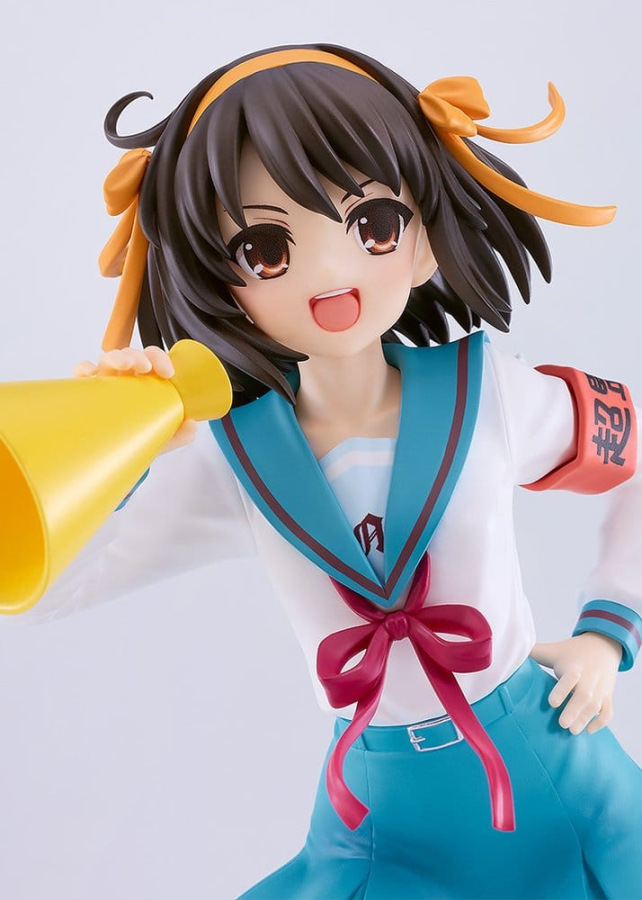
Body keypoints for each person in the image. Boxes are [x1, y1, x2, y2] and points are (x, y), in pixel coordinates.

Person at [25, 45, 642, 897]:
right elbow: (47, 588)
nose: (327, 274)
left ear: (423, 239)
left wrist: (609, 631)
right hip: (380, 812)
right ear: (218, 281)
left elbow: (635, 457)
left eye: (373, 225)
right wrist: (122, 448)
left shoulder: (487, 394)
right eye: (264, 248)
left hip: (548, 765)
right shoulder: (232, 458)